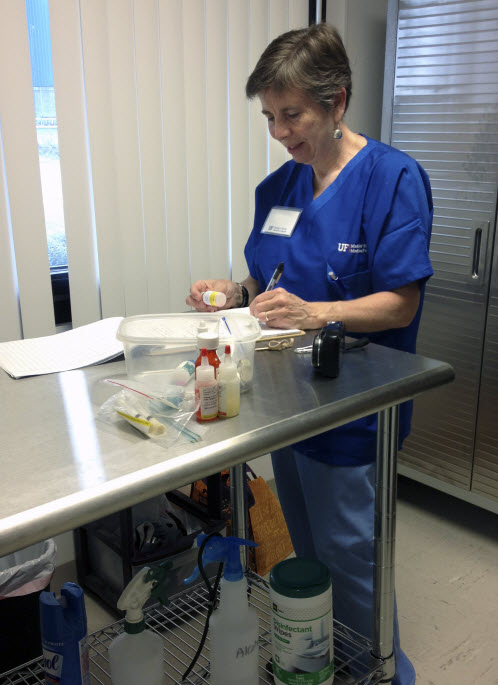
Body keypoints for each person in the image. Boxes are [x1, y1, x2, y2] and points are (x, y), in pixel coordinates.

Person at [186, 22, 433, 685]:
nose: (280, 132)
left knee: (357, 567)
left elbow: (400, 303)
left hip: (354, 419)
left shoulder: (393, 180)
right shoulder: (279, 192)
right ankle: (323, 666)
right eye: (270, 116)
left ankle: (380, 672)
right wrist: (230, 291)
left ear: (337, 102)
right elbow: (268, 284)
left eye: (291, 114)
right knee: (310, 557)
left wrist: (317, 311)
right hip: (287, 411)